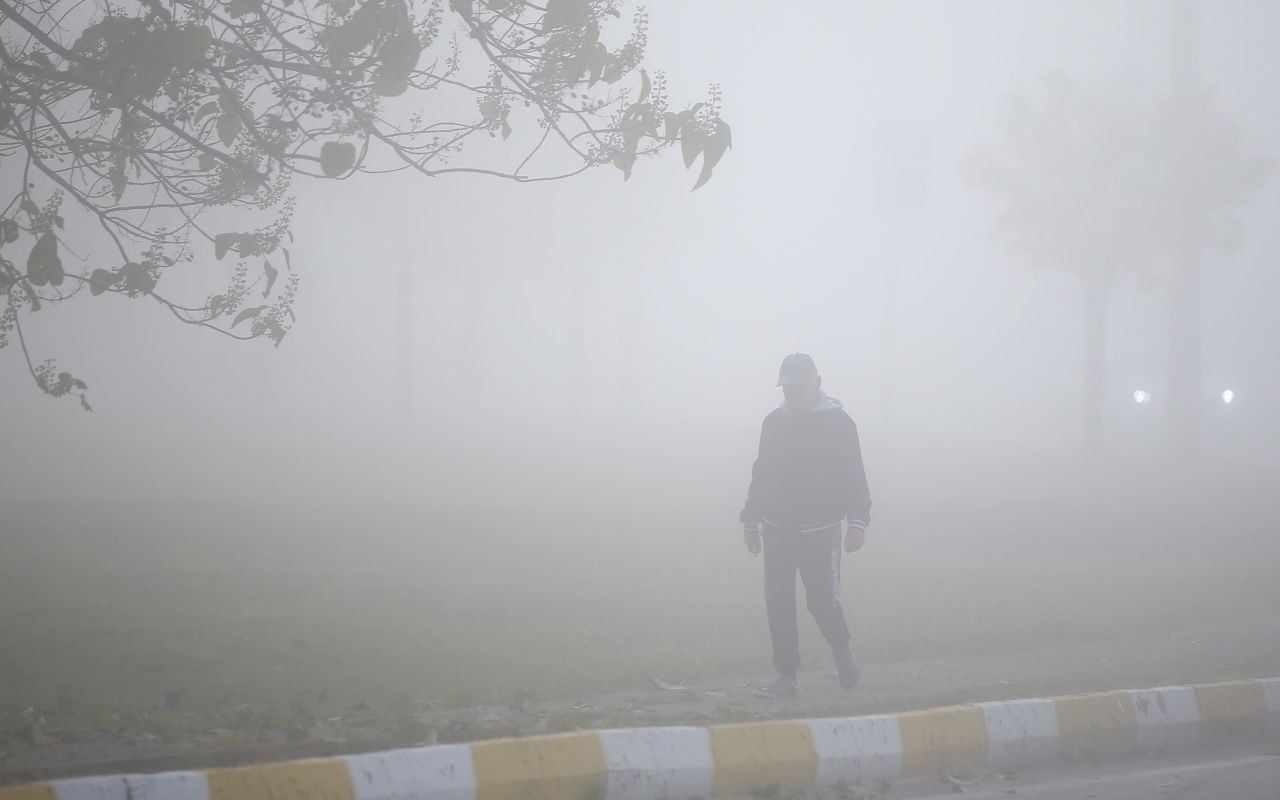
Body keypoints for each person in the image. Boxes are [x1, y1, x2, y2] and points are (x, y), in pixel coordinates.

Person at [740, 352, 872, 698]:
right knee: (778, 602)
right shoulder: (773, 423)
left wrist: (858, 522)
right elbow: (762, 473)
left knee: (822, 603)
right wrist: (750, 520)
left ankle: (843, 653)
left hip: (821, 533)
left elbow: (854, 475)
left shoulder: (840, 424)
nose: (793, 394)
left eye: (799, 387)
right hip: (776, 530)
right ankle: (786, 676)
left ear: (817, 384)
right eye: (787, 388)